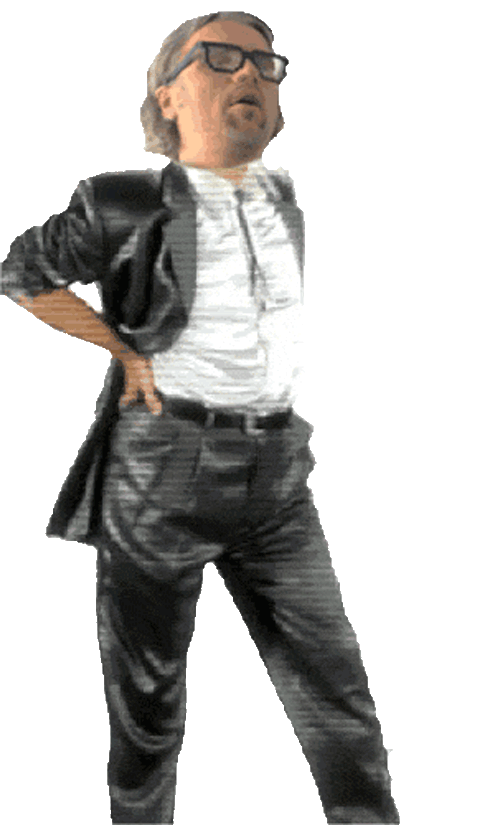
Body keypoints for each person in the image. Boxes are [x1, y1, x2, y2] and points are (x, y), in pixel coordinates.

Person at [0, 11, 400, 824]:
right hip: (162, 472)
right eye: (219, 58)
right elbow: (22, 272)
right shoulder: (122, 201)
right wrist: (121, 349)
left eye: (265, 63)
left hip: (277, 477)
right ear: (168, 96)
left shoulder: (286, 197)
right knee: (148, 709)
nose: (249, 73)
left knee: (336, 690)